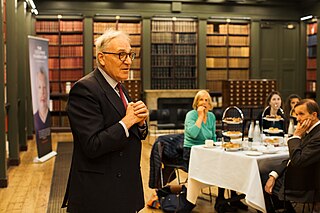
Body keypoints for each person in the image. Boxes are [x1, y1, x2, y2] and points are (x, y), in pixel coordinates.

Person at [62, 29, 149, 213]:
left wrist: (140, 123)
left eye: (130, 54)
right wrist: (127, 121)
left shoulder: (119, 87)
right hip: (99, 194)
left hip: (123, 188)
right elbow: (92, 145)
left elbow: (130, 130)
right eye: (121, 55)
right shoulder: (85, 89)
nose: (128, 61)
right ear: (101, 58)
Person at [183, 90, 247, 213]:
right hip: (192, 152)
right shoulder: (191, 115)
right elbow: (194, 134)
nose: (204, 102)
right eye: (201, 99)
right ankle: (221, 201)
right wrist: (200, 116)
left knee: (226, 162)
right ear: (196, 102)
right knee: (221, 166)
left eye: (207, 100)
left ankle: (228, 198)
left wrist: (217, 146)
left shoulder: (211, 116)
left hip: (208, 151)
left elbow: (212, 136)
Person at [262, 99, 320, 212]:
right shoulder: (309, 131)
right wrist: (274, 175)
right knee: (266, 174)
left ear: (314, 115)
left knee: (261, 178)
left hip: (307, 184)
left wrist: (296, 136)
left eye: (301, 114)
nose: (298, 119)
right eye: (297, 114)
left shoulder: (317, 135)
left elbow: (297, 160)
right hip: (301, 175)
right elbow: (292, 157)